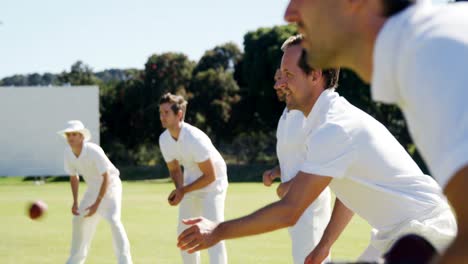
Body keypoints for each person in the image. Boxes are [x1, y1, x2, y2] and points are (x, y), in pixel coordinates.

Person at [176, 35, 457, 264]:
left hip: (429, 232)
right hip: (396, 234)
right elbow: (350, 192)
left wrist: (218, 230)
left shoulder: (335, 127)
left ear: (316, 75)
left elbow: (290, 210)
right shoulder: (321, 123)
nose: (281, 82)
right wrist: (325, 246)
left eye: (288, 74)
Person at [283, 1, 468, 262]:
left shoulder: (430, 53)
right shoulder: (418, 52)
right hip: (404, 235)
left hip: (423, 228)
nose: (288, 14)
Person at [261, 67, 332, 264]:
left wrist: (290, 185)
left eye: (282, 78)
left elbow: (318, 157)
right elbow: (294, 154)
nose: (277, 84)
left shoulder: (307, 112)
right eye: (276, 79)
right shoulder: (286, 112)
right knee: (303, 257)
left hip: (309, 198)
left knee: (309, 258)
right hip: (293, 200)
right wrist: (276, 172)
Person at [158, 93, 228, 264]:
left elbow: (210, 176)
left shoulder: (194, 138)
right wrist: (179, 190)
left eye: (166, 112)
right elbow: (174, 170)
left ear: (179, 114)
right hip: (191, 183)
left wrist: (183, 190)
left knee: (213, 232)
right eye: (160, 112)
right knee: (184, 233)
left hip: (214, 183)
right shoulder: (164, 139)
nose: (162, 117)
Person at [58, 120, 132, 264]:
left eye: (74, 134)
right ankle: (75, 261)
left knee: (113, 220)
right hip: (92, 188)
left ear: (81, 137)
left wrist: (96, 204)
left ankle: (125, 261)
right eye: (68, 135)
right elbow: (74, 177)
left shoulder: (93, 150)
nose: (70, 138)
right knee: (78, 219)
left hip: (111, 186)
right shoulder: (68, 153)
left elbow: (106, 177)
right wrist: (75, 202)